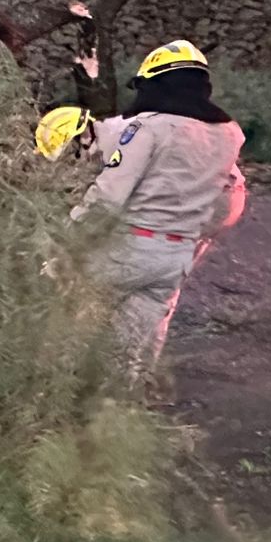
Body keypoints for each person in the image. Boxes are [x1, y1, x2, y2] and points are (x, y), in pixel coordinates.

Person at [36, 39, 247, 383]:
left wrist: (64, 243)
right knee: (126, 355)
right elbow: (221, 203)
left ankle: (52, 401)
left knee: (67, 329)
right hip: (174, 259)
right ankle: (119, 410)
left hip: (127, 252)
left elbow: (107, 199)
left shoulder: (143, 129)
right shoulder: (226, 134)